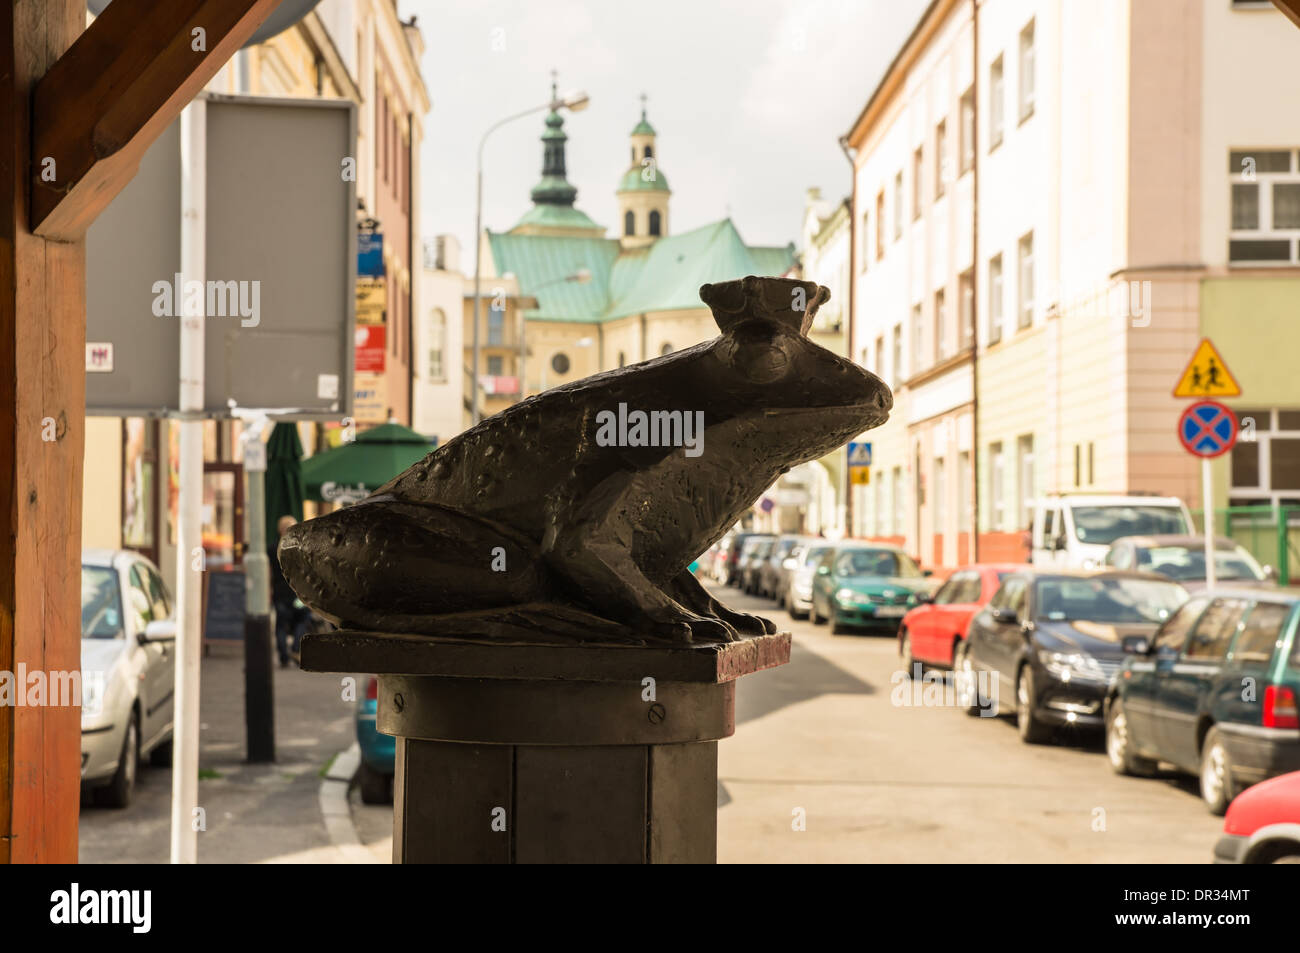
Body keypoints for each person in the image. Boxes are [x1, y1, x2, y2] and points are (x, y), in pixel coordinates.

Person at [271, 515, 312, 667]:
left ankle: (283, 657)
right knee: (303, 618)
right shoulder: (301, 548)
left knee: (281, 625)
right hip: (298, 595)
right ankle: (295, 648)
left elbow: (269, 572)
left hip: (280, 594)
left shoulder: (272, 548)